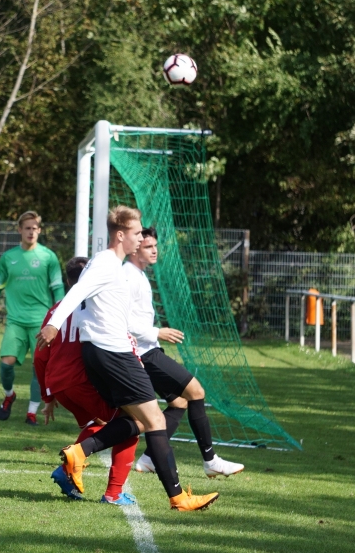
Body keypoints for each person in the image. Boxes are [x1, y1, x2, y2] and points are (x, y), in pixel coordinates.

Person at [36, 206, 218, 511]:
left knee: (135, 421)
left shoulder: (111, 265)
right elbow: (77, 290)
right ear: (121, 235)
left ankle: (79, 453)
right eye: (136, 233)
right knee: (156, 419)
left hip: (102, 352)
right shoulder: (107, 263)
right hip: (113, 353)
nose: (141, 237)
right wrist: (54, 324)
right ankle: (178, 497)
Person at [124, 227, 245, 478]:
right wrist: (157, 332)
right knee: (196, 391)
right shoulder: (128, 276)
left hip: (148, 350)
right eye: (148, 246)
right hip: (143, 353)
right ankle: (211, 460)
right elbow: (122, 321)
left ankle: (149, 458)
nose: (155, 250)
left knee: (179, 402)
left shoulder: (139, 274)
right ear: (135, 248)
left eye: (156, 245)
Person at [35, 256, 139, 506]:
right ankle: (112, 492)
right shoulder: (97, 307)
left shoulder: (55, 310)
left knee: (105, 423)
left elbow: (39, 357)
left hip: (59, 385)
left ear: (67, 280)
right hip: (82, 382)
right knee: (132, 423)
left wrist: (48, 397)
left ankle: (70, 467)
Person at [0, 211, 64, 425]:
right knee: (6, 364)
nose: (31, 232)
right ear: (20, 230)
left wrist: (60, 318)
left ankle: (31, 413)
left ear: (39, 230)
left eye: (35, 228)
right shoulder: (9, 258)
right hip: (15, 321)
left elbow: (58, 289)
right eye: (27, 228)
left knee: (39, 369)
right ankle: (9, 395)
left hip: (41, 322)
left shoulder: (48, 257)